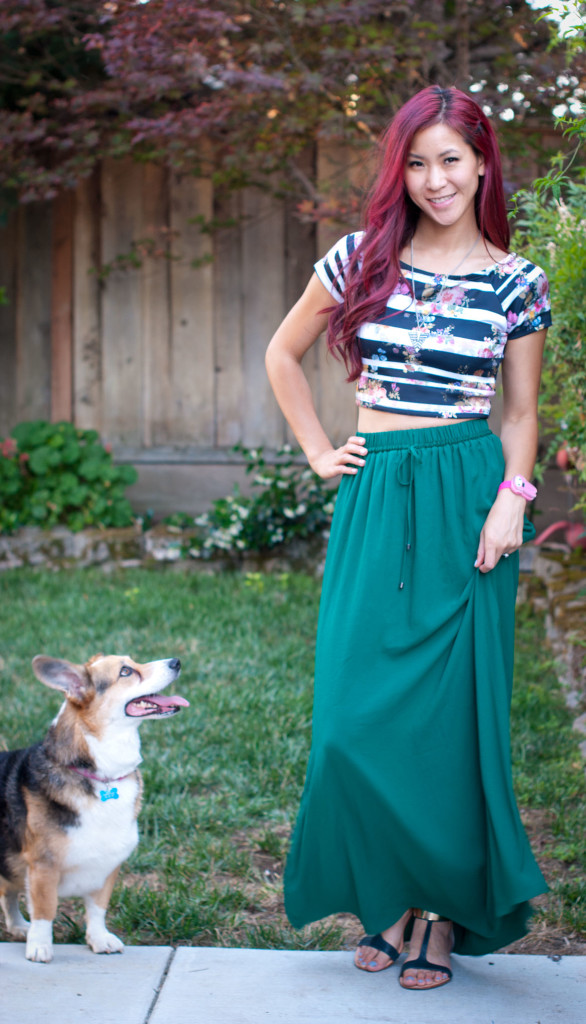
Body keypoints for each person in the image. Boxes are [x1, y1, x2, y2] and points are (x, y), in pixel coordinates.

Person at [265, 84, 551, 991]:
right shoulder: (357, 259)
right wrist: (318, 451)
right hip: (377, 490)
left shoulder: (517, 280)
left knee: (455, 722)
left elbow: (520, 411)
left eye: (452, 161)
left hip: (470, 495)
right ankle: (383, 899)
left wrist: (513, 498)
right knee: (352, 720)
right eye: (418, 162)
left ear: (482, 164)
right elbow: (282, 353)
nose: (436, 180)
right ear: (402, 170)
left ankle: (438, 915)